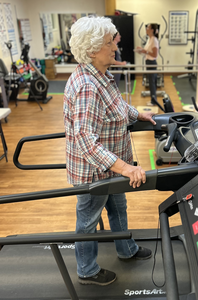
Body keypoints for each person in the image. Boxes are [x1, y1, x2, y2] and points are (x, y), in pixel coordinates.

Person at [63, 16, 156, 286]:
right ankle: (87, 271)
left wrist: (139, 114)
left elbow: (116, 108)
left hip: (112, 168)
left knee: (118, 207)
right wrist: (127, 169)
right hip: (95, 174)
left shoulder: (101, 75)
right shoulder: (87, 87)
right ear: (92, 50)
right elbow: (86, 140)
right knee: (88, 221)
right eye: (109, 43)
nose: (115, 46)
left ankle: (125, 250)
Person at [136, 23, 159, 106]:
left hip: (151, 63)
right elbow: (148, 52)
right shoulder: (149, 39)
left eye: (148, 28)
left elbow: (155, 54)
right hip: (148, 62)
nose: (146, 29)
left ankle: (153, 101)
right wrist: (141, 50)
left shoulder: (154, 40)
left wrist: (145, 51)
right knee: (150, 82)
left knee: (152, 82)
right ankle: (153, 100)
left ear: (152, 30)